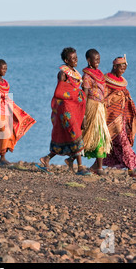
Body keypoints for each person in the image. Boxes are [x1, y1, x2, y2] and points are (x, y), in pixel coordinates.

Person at [37, 47, 90, 175]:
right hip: (65, 109)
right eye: (73, 58)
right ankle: (80, 166)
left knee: (69, 135)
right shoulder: (63, 73)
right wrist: (78, 93)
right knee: (75, 133)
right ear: (66, 60)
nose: (76, 60)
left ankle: (47, 158)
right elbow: (60, 91)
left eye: (76, 57)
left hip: (74, 109)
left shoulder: (75, 73)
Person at [0, 59, 36, 165]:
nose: (5, 70)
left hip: (5, 111)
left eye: (6, 69)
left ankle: (2, 158)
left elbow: (6, 97)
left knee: (8, 133)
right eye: (3, 68)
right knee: (1, 132)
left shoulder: (5, 83)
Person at [103, 56, 136, 178]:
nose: (123, 71)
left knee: (115, 144)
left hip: (120, 118)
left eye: (124, 69)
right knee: (119, 143)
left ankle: (95, 167)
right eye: (121, 68)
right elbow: (104, 98)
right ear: (115, 67)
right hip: (111, 117)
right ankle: (131, 169)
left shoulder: (121, 83)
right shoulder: (106, 81)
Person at [81, 49, 112, 175]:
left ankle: (97, 166)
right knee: (93, 136)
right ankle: (97, 167)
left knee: (101, 137)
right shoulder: (87, 76)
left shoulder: (99, 74)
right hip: (91, 108)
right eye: (96, 59)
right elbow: (84, 94)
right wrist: (83, 114)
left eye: (99, 59)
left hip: (100, 108)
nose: (98, 62)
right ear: (89, 60)